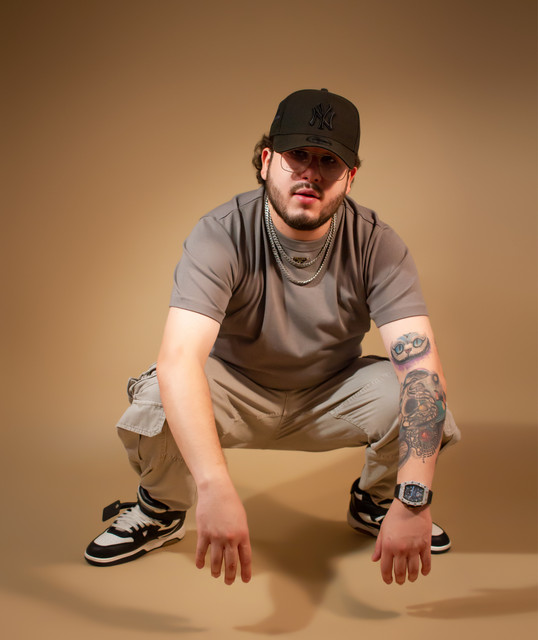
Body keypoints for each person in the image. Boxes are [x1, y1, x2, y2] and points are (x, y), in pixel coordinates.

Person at [84, 88, 460, 586]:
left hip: (330, 394)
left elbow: (422, 372)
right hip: (236, 391)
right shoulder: (220, 233)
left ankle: (378, 501)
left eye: (329, 161)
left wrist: (414, 502)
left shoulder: (377, 244)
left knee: (419, 395)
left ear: (349, 177)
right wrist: (214, 486)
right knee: (157, 394)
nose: (311, 173)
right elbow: (180, 359)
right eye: (297, 154)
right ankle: (162, 508)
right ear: (266, 161)